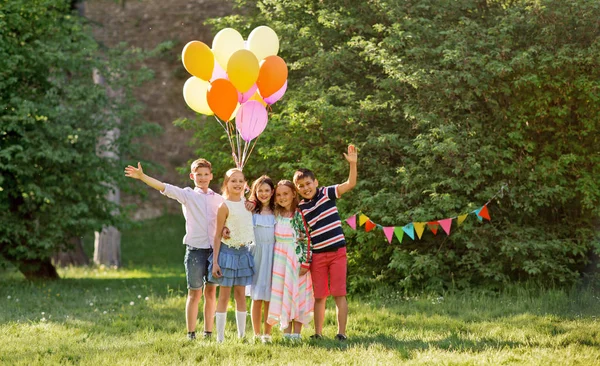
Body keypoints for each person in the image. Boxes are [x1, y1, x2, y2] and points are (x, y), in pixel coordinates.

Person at [124, 159, 222, 341]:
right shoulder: (187, 195)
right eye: (198, 175)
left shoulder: (219, 199)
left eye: (205, 174)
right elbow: (163, 187)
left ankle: (208, 332)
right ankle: (191, 333)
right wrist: (142, 176)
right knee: (195, 293)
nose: (202, 178)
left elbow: (232, 213)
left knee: (211, 292)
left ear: (211, 176)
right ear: (192, 176)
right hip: (195, 250)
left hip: (214, 252)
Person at [293, 144, 358, 341]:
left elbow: (350, 184)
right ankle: (318, 333)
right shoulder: (301, 208)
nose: (305, 188)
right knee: (320, 296)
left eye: (308, 183)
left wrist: (353, 165)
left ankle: (341, 333)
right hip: (318, 256)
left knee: (339, 293)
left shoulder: (327, 193)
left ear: (315, 182)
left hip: (337, 252)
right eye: (301, 186)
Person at [209, 168, 255, 343]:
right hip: (227, 253)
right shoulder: (224, 206)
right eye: (233, 180)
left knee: (241, 295)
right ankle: (220, 337)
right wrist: (215, 262)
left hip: (243, 253)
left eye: (240, 180)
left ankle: (241, 335)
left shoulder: (248, 204)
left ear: (245, 184)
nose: (237, 184)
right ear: (226, 184)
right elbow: (217, 235)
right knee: (224, 295)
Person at [267, 180, 314, 341]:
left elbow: (307, 238)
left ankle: (297, 334)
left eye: (285, 193)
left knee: (297, 293)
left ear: (294, 193)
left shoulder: (300, 214)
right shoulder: (276, 213)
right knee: (283, 294)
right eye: (278, 194)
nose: (282, 197)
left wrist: (306, 262)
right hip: (280, 259)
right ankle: (286, 333)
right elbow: (257, 200)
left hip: (296, 258)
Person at [246, 176, 276, 343]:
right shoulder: (251, 211)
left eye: (267, 190)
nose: (264, 194)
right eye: (260, 190)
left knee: (270, 296)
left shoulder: (276, 211)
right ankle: (256, 334)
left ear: (272, 192)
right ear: (255, 192)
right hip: (256, 253)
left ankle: (267, 333)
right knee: (257, 295)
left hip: (273, 254)